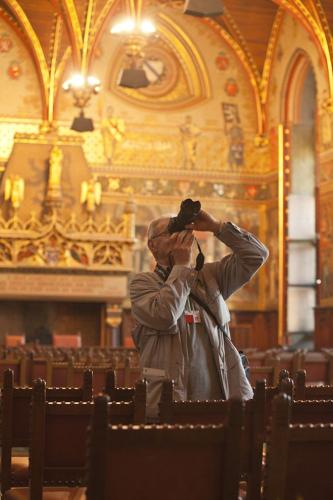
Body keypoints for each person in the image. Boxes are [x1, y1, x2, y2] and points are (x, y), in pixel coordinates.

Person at [129, 206, 269, 419]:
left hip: (220, 399)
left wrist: (217, 227)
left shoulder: (210, 277)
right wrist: (182, 266)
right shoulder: (142, 284)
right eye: (170, 232)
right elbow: (165, 315)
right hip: (169, 403)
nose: (178, 236)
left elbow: (257, 255)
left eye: (180, 230)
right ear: (152, 245)